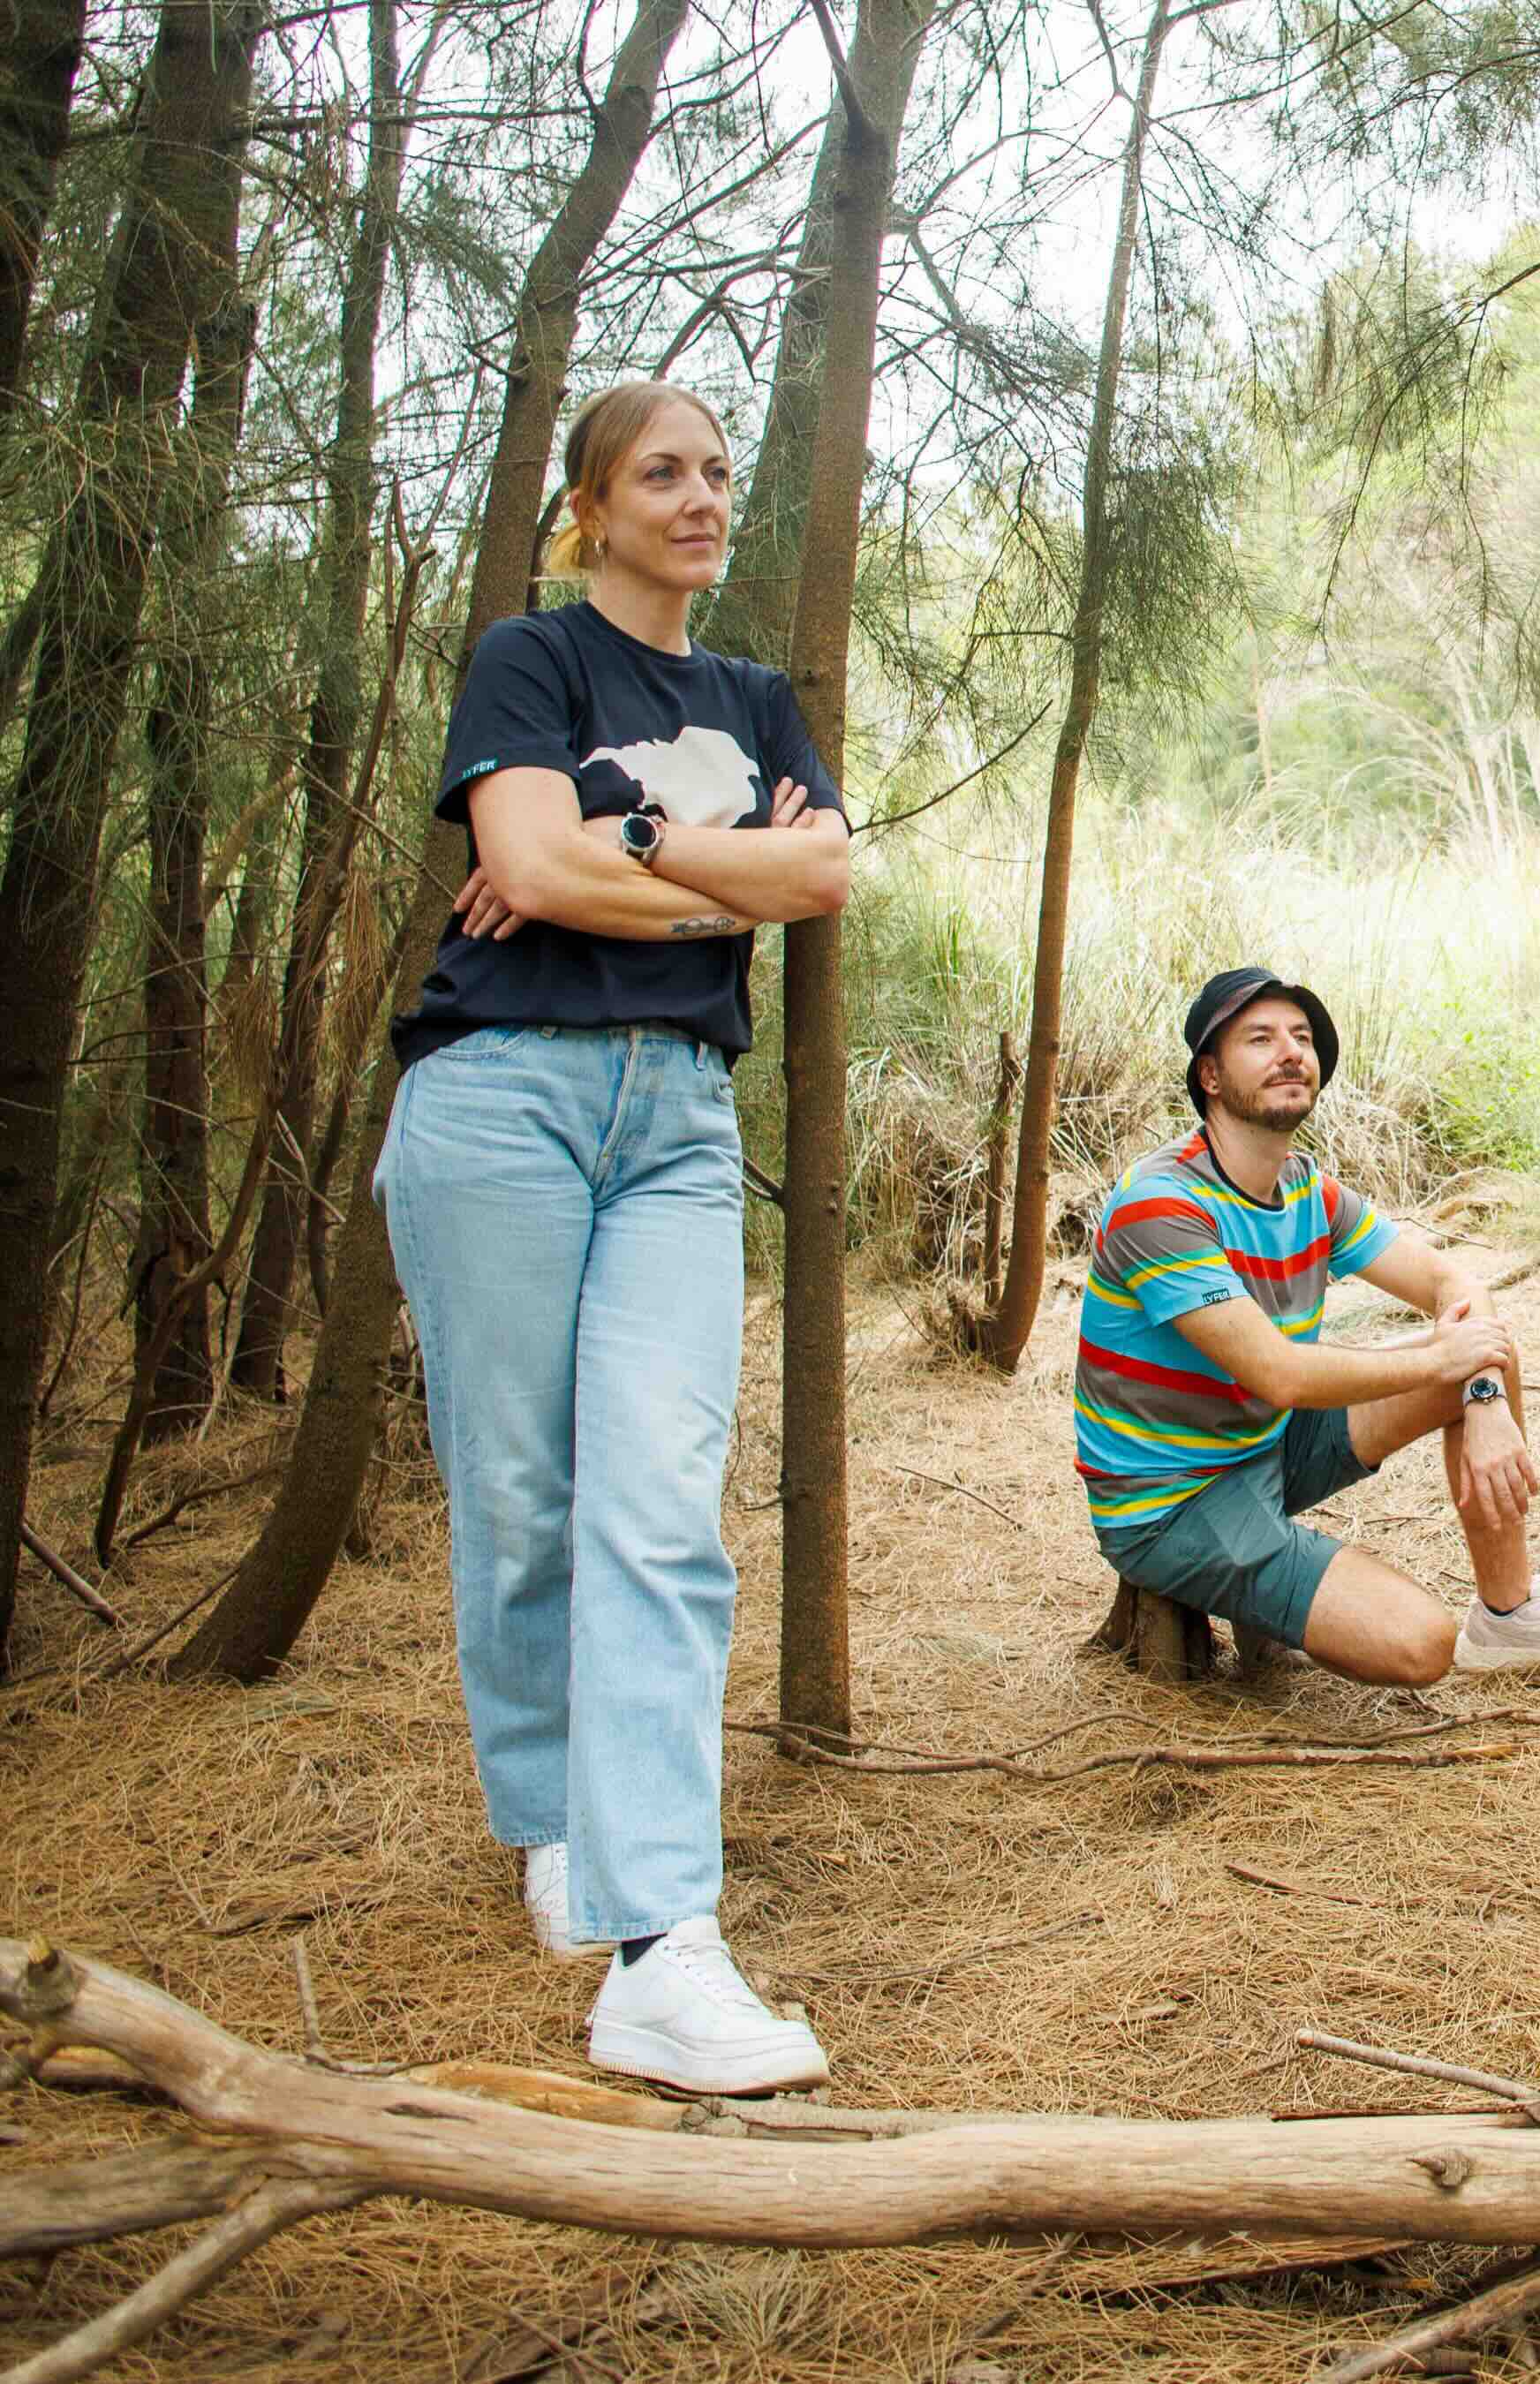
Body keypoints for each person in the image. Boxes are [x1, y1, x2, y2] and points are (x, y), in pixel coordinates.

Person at [380, 379, 852, 2095]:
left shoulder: (752, 697)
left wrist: (624, 839)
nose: (703, 495)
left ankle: (666, 1947)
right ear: (594, 508)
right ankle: (553, 1821)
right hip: (498, 1092)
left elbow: (821, 884)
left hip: (678, 1123)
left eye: (721, 470)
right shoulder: (531, 659)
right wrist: (712, 867)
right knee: (519, 1494)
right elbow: (523, 867)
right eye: (664, 472)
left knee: (659, 1501)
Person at [1076, 969, 1540, 1684]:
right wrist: (1446, 1362)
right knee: (1419, 1644)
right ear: (1211, 1076)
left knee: (1487, 1357)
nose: (1291, 1052)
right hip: (1173, 1502)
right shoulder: (1159, 1205)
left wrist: (1484, 1396)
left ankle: (1511, 1618)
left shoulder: (1305, 1189)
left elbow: (1450, 1282)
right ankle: (1269, 1580)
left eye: (1302, 1038)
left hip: (1264, 1449)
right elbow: (1279, 1374)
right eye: (1260, 1039)